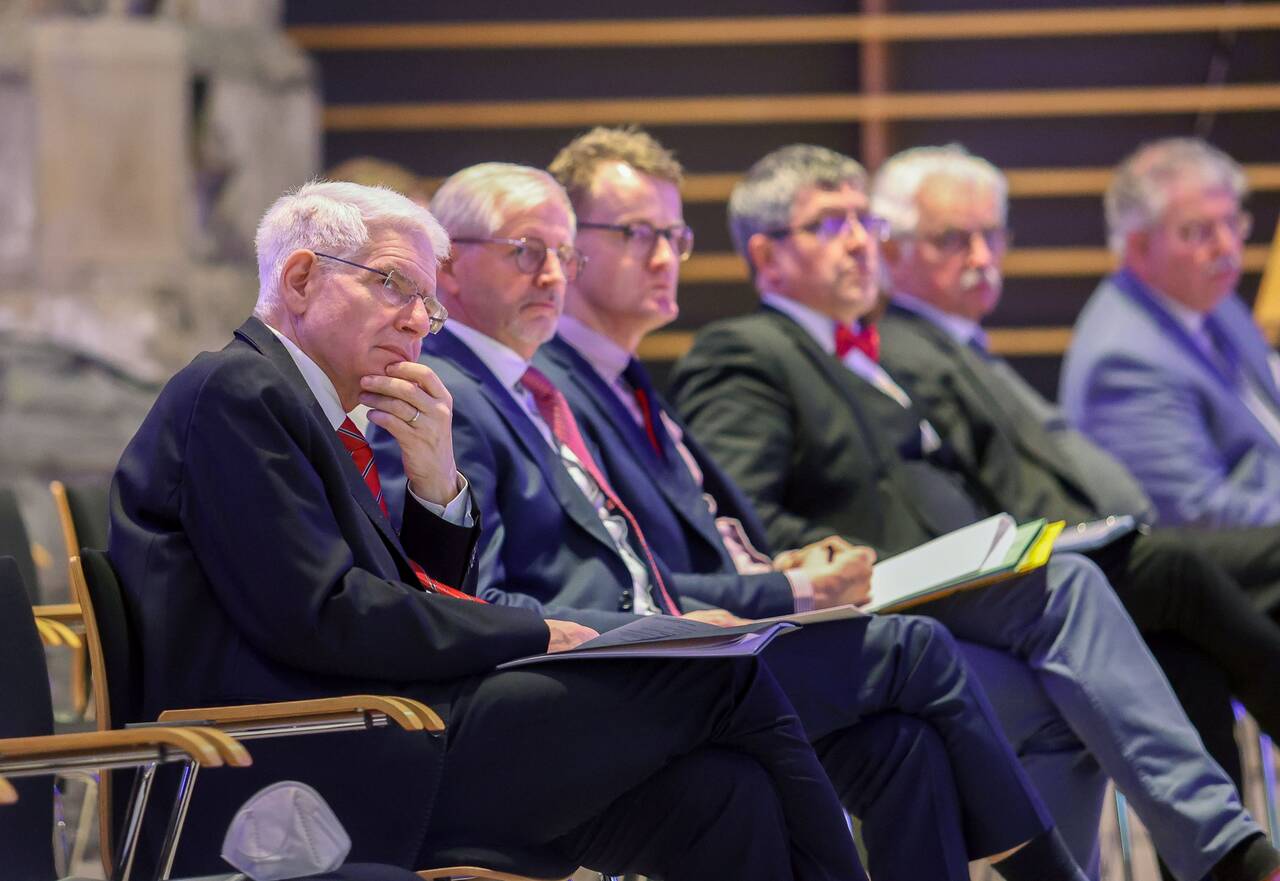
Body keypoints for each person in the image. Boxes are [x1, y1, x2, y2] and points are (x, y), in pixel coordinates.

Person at [108, 179, 869, 881]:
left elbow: (416, 594)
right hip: (301, 758)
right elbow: (327, 616)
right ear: (302, 278)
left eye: (428, 304)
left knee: (722, 795)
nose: (416, 319)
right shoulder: (238, 390)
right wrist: (534, 632)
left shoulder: (317, 412)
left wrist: (438, 484)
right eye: (392, 283)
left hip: (389, 725)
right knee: (720, 666)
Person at [371, 160, 1092, 881]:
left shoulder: (529, 386)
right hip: (597, 678)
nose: (553, 275)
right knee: (918, 648)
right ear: (448, 267)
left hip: (670, 650)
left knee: (902, 743)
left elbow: (631, 554)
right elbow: (470, 601)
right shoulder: (448, 395)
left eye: (563, 255)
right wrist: (675, 628)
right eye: (526, 251)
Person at [668, 143, 1280, 881]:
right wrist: (847, 562)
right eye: (830, 224)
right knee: (1077, 586)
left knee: (1102, 681)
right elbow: (744, 523)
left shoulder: (865, 355)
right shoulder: (746, 349)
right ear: (766, 256)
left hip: (961, 586)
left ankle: (1208, 857)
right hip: (880, 600)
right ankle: (1233, 857)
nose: (864, 240)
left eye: (864, 218)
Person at [869, 143, 1280, 788]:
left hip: (1092, 545)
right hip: (1036, 566)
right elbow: (997, 491)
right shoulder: (906, 351)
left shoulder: (957, 341)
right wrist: (1095, 539)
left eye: (991, 236)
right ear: (889, 249)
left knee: (1186, 657)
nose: (981, 260)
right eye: (952, 241)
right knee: (1181, 571)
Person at [1060, 137, 1280, 529]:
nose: (1227, 247)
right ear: (1139, 246)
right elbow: (1200, 515)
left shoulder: (1214, 300)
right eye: (1199, 232)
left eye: (1233, 223)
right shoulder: (1123, 361)